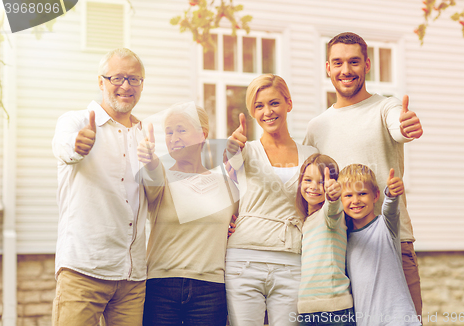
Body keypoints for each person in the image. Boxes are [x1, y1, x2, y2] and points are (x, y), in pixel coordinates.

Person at [303, 32, 423, 317]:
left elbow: (398, 125)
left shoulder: (386, 108)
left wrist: (406, 126)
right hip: (338, 251)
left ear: (367, 64)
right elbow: (308, 189)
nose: (346, 70)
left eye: (354, 62)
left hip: (391, 243)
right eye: (338, 62)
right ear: (328, 68)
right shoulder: (316, 127)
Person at [51, 48, 147, 325]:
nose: (126, 86)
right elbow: (63, 147)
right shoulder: (76, 122)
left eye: (134, 79)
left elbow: (163, 195)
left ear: (142, 85)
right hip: (84, 270)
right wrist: (77, 146)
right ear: (101, 81)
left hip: (132, 278)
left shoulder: (145, 134)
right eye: (117, 78)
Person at [225, 74, 318, 326]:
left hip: (292, 262)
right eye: (259, 106)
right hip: (243, 262)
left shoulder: (311, 156)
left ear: (289, 103)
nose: (267, 111)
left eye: (274, 103)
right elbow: (221, 195)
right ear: (252, 112)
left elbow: (317, 210)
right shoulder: (242, 151)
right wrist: (230, 155)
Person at [137, 102, 238, 326]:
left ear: (202, 134)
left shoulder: (227, 184)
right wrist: (150, 160)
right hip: (161, 287)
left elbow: (243, 222)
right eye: (169, 132)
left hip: (210, 290)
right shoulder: (160, 175)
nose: (173, 137)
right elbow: (152, 178)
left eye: (181, 130)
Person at [339, 164, 421, 326]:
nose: (355, 200)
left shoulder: (386, 226)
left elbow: (390, 208)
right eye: (348, 195)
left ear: (376, 195)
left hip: (398, 320)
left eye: (362, 193)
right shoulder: (344, 238)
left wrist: (391, 193)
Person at [295, 154, 355, 326]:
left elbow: (332, 210)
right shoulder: (307, 221)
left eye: (321, 182)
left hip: (334, 311)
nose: (314, 187)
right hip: (307, 311)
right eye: (308, 180)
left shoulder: (331, 215)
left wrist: (334, 197)